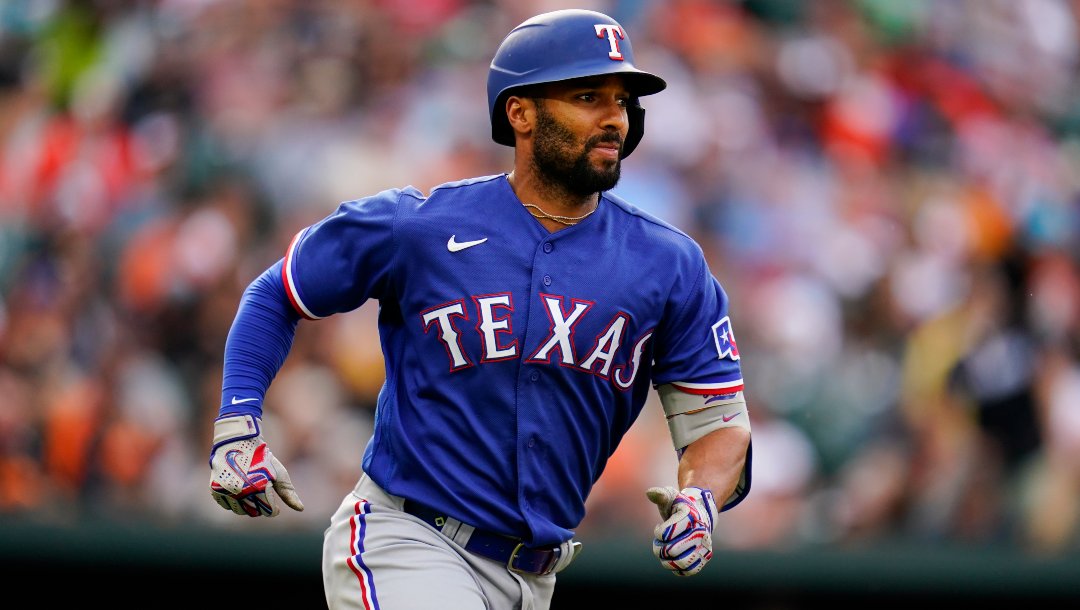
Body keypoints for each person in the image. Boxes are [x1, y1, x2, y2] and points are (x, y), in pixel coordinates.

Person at [208, 8, 752, 609]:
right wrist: (238, 425)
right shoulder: (421, 225)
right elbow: (278, 291)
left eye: (622, 101)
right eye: (587, 96)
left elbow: (718, 424)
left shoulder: (669, 264)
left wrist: (700, 499)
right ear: (520, 112)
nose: (614, 119)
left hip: (535, 577)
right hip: (407, 539)